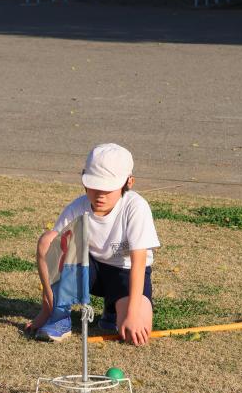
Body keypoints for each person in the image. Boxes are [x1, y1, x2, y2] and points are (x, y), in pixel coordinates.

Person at [27, 143, 160, 346]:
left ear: (129, 182)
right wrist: (45, 311)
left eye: (108, 188)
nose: (100, 194)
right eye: (94, 186)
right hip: (90, 270)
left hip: (125, 273)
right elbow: (53, 252)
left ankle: (113, 309)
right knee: (48, 240)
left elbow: (139, 263)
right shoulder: (78, 207)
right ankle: (58, 314)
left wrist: (132, 314)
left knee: (135, 332)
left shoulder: (136, 207)